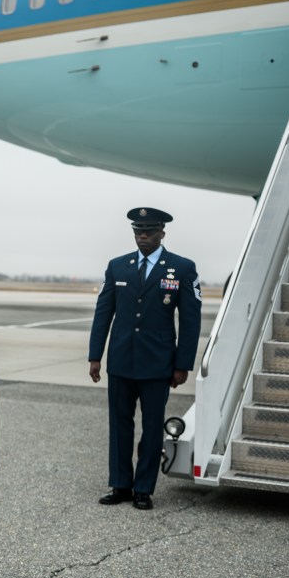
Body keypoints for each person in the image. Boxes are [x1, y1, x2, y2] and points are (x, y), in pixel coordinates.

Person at [88, 207, 201, 510]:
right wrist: (95, 356)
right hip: (122, 360)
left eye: (149, 232)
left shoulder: (182, 268)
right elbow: (103, 314)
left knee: (152, 428)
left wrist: (182, 365)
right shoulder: (118, 267)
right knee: (119, 425)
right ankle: (121, 484)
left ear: (162, 233)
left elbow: (191, 321)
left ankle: (143, 488)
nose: (143, 237)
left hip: (158, 363)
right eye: (138, 232)